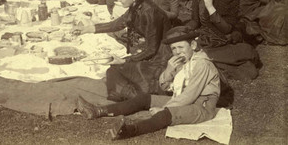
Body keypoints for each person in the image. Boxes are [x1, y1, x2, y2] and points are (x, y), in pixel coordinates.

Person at [76, 26, 220, 141]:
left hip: (201, 106)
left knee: (166, 114)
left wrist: (164, 108)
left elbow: (190, 95)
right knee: (145, 98)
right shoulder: (185, 61)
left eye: (181, 47)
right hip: (184, 98)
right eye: (174, 49)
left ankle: (128, 131)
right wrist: (169, 70)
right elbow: (165, 86)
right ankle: (98, 111)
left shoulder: (201, 64)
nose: (177, 52)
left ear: (193, 45)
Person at [72, 0, 171, 101]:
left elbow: (151, 49)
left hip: (161, 57)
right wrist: (87, 29)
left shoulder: (150, 12)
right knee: (114, 70)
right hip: (151, 52)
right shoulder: (137, 6)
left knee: (117, 69)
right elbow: (117, 24)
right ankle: (124, 94)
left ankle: (135, 97)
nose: (117, 0)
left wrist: (126, 60)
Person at [187, 0, 259, 80]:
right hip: (205, 37)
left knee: (200, 56)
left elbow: (227, 29)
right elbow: (195, 20)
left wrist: (210, 7)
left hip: (224, 39)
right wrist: (185, 31)